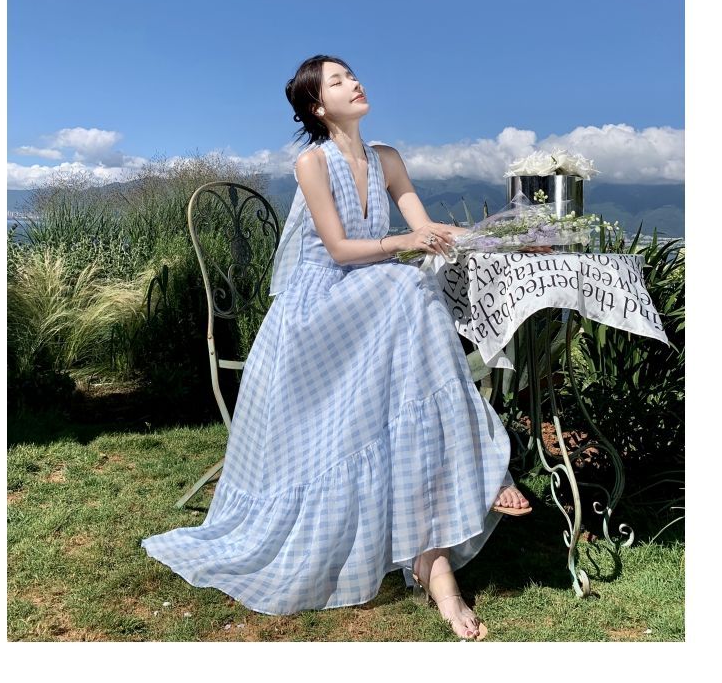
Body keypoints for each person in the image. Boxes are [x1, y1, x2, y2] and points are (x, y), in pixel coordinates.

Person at [141, 53, 531, 641]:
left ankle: (435, 560)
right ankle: (483, 464)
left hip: (372, 300)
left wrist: (507, 240)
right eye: (338, 81)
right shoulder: (312, 163)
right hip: (315, 306)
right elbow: (341, 251)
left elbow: (429, 230)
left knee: (410, 299)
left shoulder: (387, 159)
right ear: (318, 106)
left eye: (352, 74)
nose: (355, 82)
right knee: (409, 288)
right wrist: (405, 242)